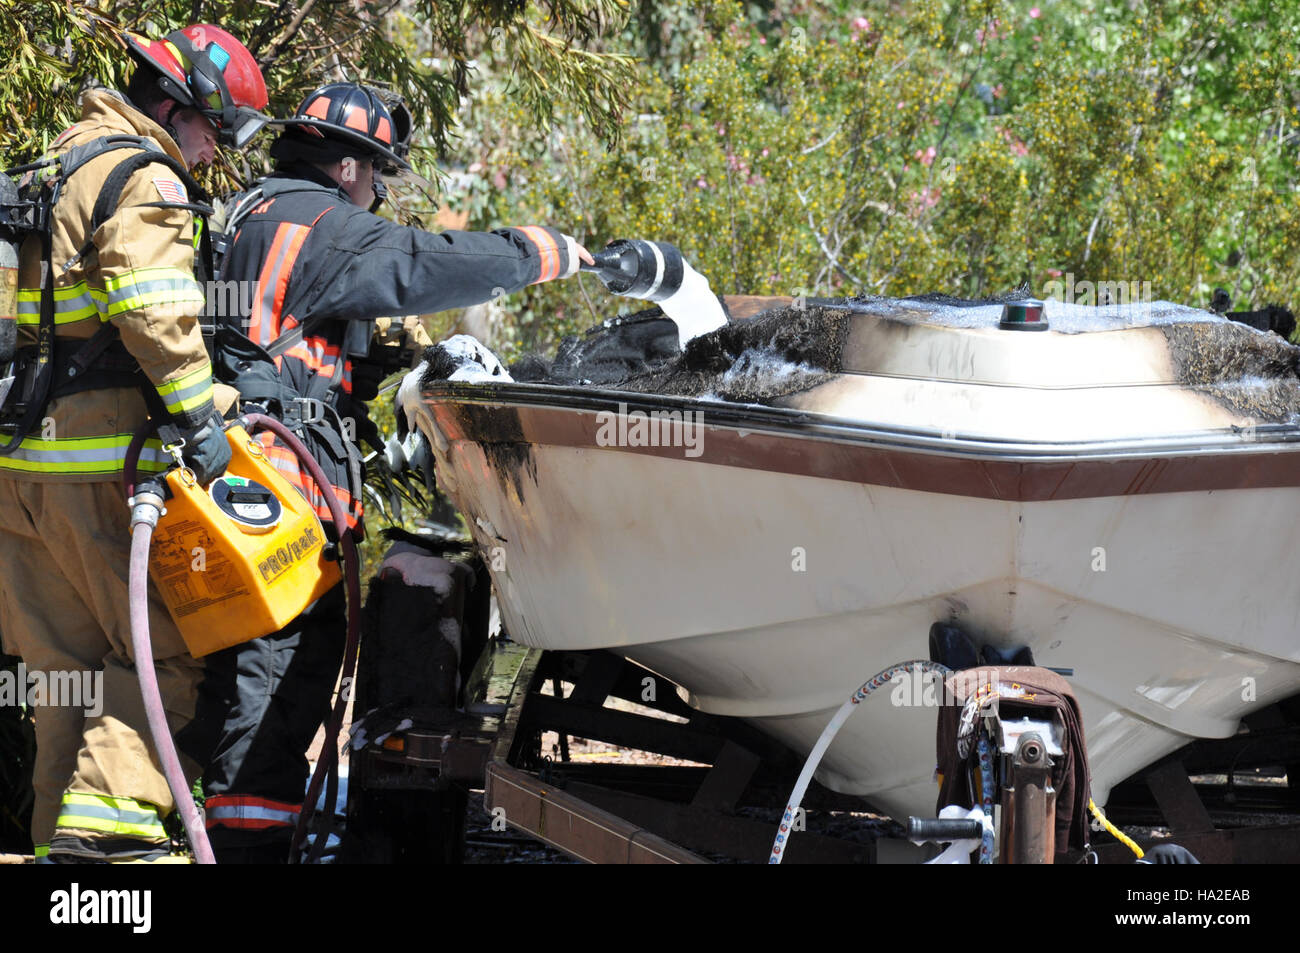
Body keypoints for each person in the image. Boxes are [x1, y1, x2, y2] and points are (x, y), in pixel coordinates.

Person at [198, 82, 594, 863]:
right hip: (279, 497)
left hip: (231, 490)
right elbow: (419, 262)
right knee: (272, 691)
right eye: (377, 174)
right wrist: (538, 252)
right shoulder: (322, 224)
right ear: (348, 167)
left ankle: (229, 839)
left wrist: (375, 361)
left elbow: (264, 335)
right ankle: (245, 854)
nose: (377, 192)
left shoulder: (244, 213)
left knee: (242, 685)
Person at [0, 24, 268, 862]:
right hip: (102, 467)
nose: (213, 151)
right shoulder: (141, 173)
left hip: (19, 474)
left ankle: (59, 859)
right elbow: (153, 306)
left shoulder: (44, 170)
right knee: (161, 650)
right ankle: (110, 850)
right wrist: (199, 416)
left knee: (62, 678)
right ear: (178, 108)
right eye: (215, 129)